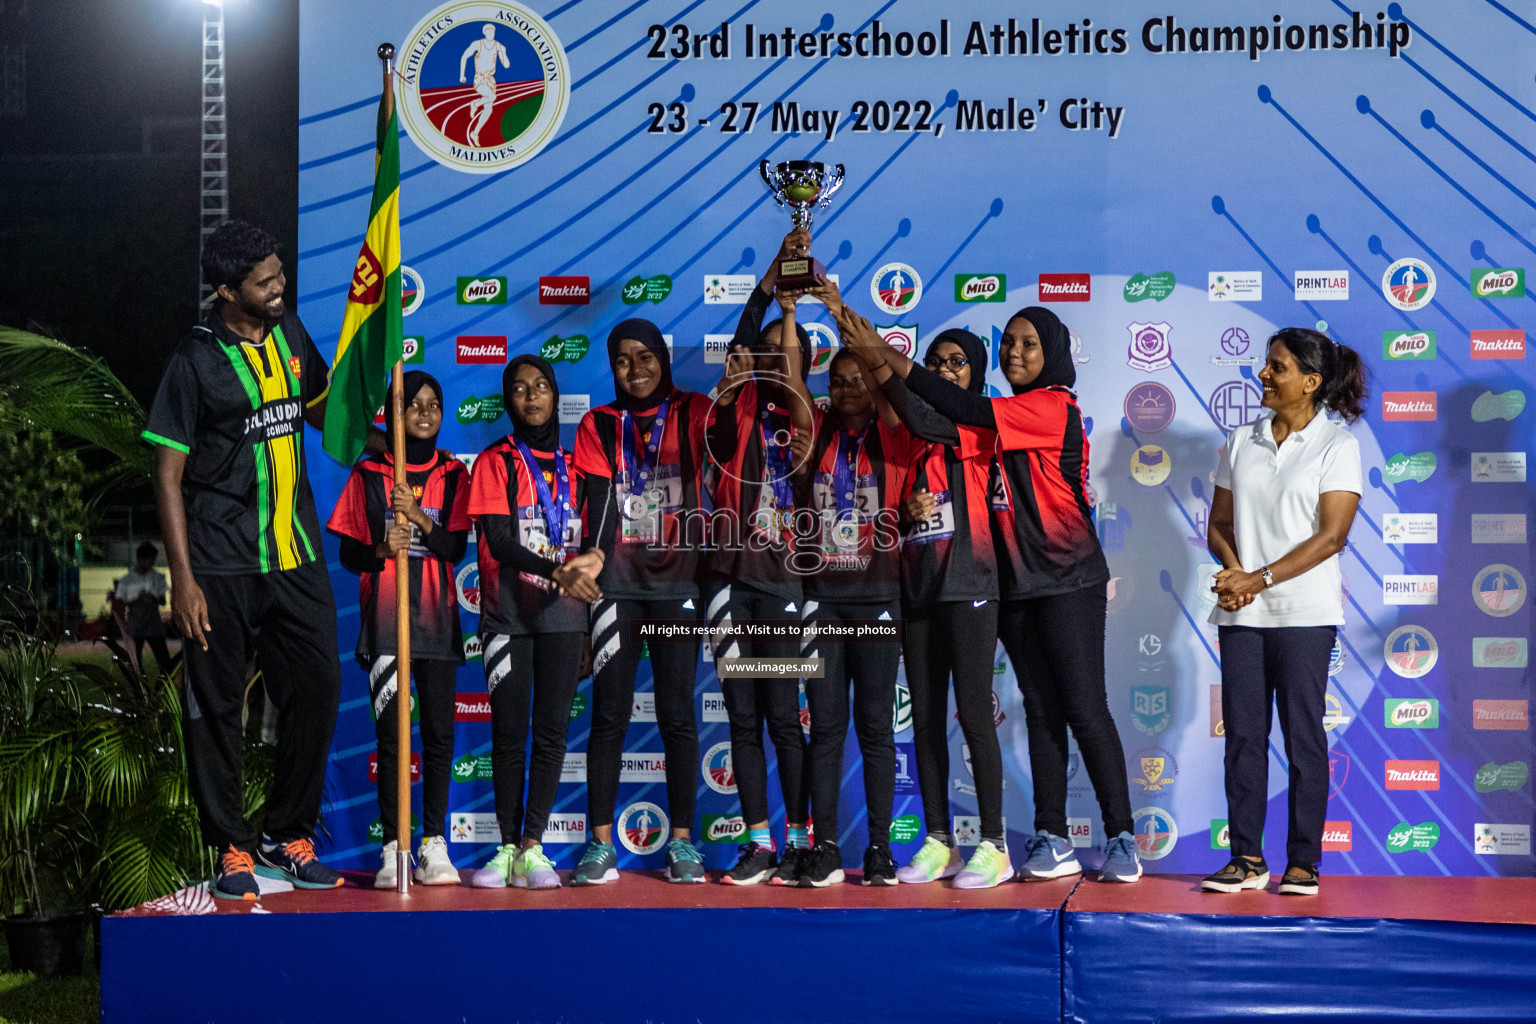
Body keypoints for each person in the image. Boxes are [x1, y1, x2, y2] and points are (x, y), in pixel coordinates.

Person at [839, 304, 1143, 888]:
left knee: (1084, 706)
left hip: (1068, 577)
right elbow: (932, 420)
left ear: (1052, 352)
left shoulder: (1050, 405)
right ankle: (1052, 837)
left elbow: (960, 405)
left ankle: (1122, 833)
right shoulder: (1000, 419)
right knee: (1039, 707)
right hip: (1015, 584)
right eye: (1008, 344)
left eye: (1028, 344)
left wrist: (881, 351)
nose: (1015, 354)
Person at [143, 219, 355, 900]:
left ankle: (286, 834)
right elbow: (167, 476)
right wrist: (184, 580)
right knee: (218, 708)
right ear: (227, 289)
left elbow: (322, 413)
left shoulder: (290, 334)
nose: (280, 288)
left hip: (294, 555)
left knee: (318, 688)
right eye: (265, 282)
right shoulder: (193, 361)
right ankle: (233, 847)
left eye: (280, 275)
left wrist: (384, 440)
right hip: (219, 564)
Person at [568, 319, 736, 885]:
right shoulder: (598, 422)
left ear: (663, 358)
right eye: (622, 360)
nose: (635, 369)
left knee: (677, 713)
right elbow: (597, 501)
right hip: (617, 588)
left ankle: (683, 845)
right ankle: (599, 845)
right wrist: (593, 559)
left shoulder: (692, 410)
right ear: (611, 367)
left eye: (645, 357)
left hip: (678, 589)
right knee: (609, 716)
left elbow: (732, 447)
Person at [1201, 328, 1364, 897]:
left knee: (1303, 738)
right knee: (1244, 736)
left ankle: (1304, 862)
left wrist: (1259, 577)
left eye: (1277, 367)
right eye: (1266, 365)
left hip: (1304, 613)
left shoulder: (1337, 444)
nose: (1262, 375)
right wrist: (1235, 573)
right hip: (1242, 613)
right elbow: (1218, 524)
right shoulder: (1241, 438)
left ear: (1311, 382)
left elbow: (1332, 537)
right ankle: (1245, 858)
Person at [704, 233, 819, 886]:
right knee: (742, 717)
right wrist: (772, 279)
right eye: (766, 351)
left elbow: (790, 356)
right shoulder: (739, 402)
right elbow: (747, 337)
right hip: (727, 584)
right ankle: (758, 842)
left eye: (787, 352)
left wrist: (798, 313)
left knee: (782, 714)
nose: (774, 358)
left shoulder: (806, 416)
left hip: (780, 587)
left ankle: (800, 839)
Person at [326, 371, 470, 888]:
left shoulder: (455, 474)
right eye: (413, 404)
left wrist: (420, 519)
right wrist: (383, 549)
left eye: (434, 404)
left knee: (438, 736)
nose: (425, 412)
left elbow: (455, 548)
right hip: (387, 625)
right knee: (392, 739)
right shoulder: (368, 475)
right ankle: (395, 846)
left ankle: (433, 843)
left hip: (435, 625)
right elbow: (347, 554)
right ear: (394, 415)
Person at [465, 355, 605, 890]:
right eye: (520, 389)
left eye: (541, 386)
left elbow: (594, 548)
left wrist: (586, 609)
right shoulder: (494, 461)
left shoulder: (578, 465)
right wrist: (557, 572)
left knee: (551, 735)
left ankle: (533, 849)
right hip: (506, 619)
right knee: (508, 735)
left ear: (554, 395)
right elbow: (500, 542)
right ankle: (503, 849)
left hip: (565, 620)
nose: (531, 396)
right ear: (509, 401)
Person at [791, 290, 913, 888]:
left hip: (879, 596)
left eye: (857, 378)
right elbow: (790, 375)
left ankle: (881, 850)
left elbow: (897, 397)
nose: (847, 390)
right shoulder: (814, 433)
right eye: (837, 381)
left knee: (875, 726)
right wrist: (790, 312)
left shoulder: (893, 435)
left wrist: (841, 312)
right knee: (827, 725)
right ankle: (827, 847)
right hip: (823, 598)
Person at [879, 329, 1008, 888]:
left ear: (975, 372)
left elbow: (932, 419)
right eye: (934, 362)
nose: (944, 370)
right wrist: (907, 509)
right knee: (926, 717)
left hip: (972, 581)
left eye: (957, 362)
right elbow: (892, 514)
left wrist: (881, 361)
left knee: (974, 713)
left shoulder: (982, 422)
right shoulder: (910, 440)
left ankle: (995, 844)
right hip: (921, 586)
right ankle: (939, 839)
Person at [110, 542, 172, 674]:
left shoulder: (158, 577)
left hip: (153, 624)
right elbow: (120, 602)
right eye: (148, 560)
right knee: (135, 661)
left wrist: (152, 597)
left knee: (164, 660)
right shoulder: (127, 580)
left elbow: (162, 601)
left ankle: (166, 686)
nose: (150, 563)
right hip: (135, 625)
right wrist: (137, 599)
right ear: (140, 559)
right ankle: (140, 689)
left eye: (152, 560)